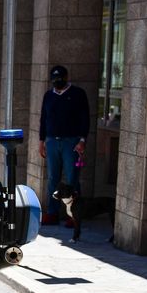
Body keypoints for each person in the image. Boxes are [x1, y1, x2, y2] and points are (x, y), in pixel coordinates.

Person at [38, 65, 89, 226]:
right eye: (54, 80)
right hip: (52, 141)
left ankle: (74, 215)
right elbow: (43, 119)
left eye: (60, 79)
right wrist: (41, 141)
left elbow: (85, 118)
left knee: (72, 177)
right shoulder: (48, 95)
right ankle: (52, 213)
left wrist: (82, 140)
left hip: (72, 142)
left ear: (66, 78)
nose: (57, 82)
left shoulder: (78, 94)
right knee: (53, 178)